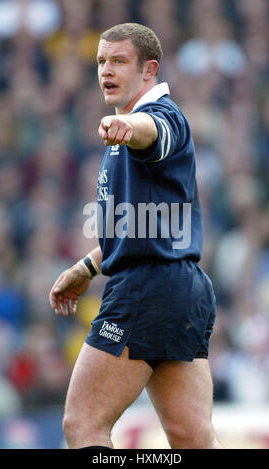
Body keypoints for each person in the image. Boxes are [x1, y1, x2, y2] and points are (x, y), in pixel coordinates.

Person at [49, 23, 222, 450]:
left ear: (150, 70)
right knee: (192, 439)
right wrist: (87, 267)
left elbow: (154, 132)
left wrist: (132, 127)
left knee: (83, 423)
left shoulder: (161, 117)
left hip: (146, 290)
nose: (106, 70)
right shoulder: (123, 123)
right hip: (183, 290)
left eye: (119, 61)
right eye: (101, 61)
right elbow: (138, 228)